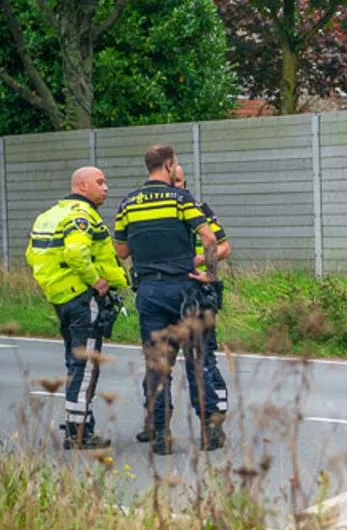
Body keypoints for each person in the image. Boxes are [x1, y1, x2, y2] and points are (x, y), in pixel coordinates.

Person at [114, 144, 225, 455]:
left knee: (157, 364)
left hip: (149, 292)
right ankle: (208, 431)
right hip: (183, 289)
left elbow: (121, 251)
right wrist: (210, 275)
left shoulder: (128, 204)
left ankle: (161, 434)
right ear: (169, 164)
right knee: (197, 360)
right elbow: (210, 238)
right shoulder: (181, 199)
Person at [25, 166, 129, 449]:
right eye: (100, 182)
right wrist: (97, 281)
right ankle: (79, 432)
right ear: (82, 186)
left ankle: (77, 424)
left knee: (74, 361)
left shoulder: (50, 215)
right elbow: (75, 252)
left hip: (61, 297)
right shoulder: (81, 216)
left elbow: (31, 254)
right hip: (83, 298)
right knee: (85, 364)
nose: (106, 187)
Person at [134, 164, 231, 443]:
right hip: (165, 291)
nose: (175, 186)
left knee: (201, 361)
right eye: (172, 180)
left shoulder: (196, 207)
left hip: (194, 290)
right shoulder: (151, 210)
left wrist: (201, 262)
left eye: (180, 182)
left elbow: (223, 245)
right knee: (159, 363)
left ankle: (214, 422)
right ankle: (155, 422)